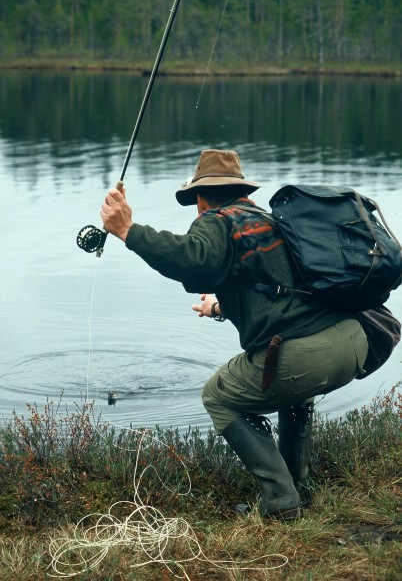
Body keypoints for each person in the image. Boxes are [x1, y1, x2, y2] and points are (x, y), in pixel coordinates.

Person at [100, 149, 369, 521]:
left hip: (307, 356)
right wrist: (219, 307)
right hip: (355, 343)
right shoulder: (273, 220)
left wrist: (129, 231)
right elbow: (279, 292)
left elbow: (192, 261)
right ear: (241, 188)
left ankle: (281, 502)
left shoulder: (218, 221)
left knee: (218, 396)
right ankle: (297, 484)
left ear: (200, 196)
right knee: (294, 389)